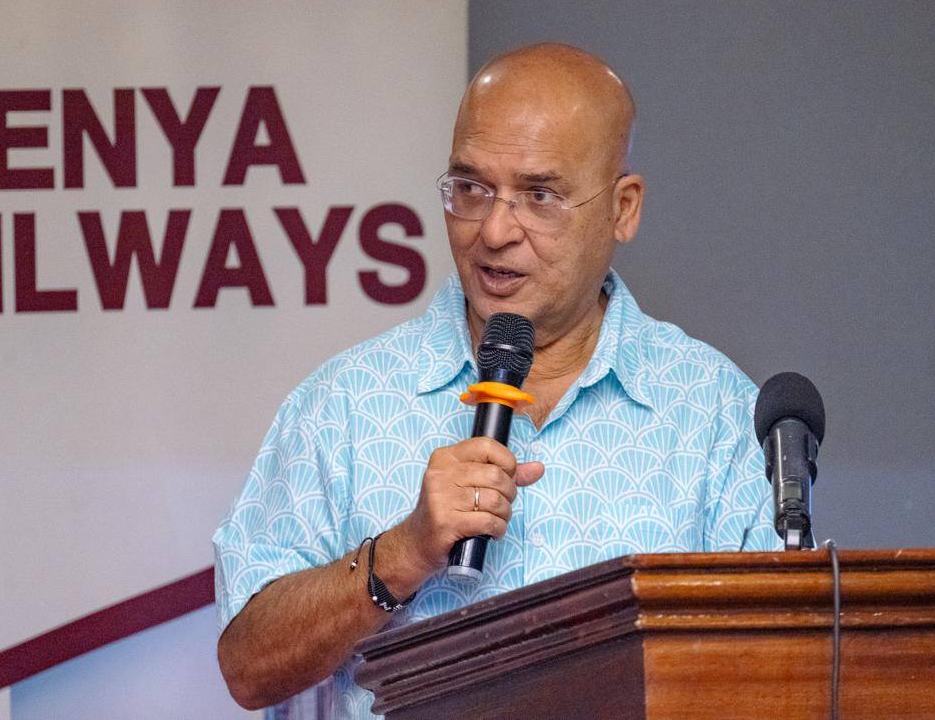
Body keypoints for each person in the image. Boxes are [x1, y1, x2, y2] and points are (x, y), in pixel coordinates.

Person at [212, 43, 778, 716]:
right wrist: (401, 553)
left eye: (540, 196)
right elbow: (248, 668)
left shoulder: (715, 412)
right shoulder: (344, 404)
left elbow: (776, 675)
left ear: (623, 208)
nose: (495, 230)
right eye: (471, 189)